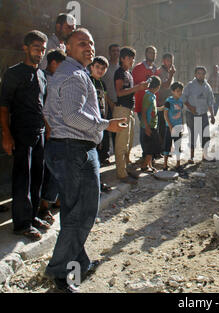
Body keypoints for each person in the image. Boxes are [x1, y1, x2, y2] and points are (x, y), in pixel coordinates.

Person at [43, 28, 126, 293]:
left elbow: (51, 112)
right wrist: (106, 125)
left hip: (69, 148)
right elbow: (72, 116)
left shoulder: (73, 73)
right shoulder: (74, 75)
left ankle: (79, 260)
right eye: (81, 43)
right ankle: (59, 272)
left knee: (72, 209)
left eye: (91, 42)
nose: (89, 47)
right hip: (74, 150)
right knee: (83, 212)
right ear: (66, 46)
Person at [0, 30, 50, 241]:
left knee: (37, 176)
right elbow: (3, 107)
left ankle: (32, 216)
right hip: (20, 133)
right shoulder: (13, 73)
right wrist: (6, 136)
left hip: (39, 133)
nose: (40, 53)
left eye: (43, 49)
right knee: (23, 178)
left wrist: (47, 128)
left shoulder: (41, 74)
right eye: (36, 48)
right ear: (26, 48)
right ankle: (21, 224)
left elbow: (43, 105)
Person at [114, 47, 149, 184]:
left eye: (133, 58)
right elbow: (119, 93)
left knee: (128, 143)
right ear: (122, 58)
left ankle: (126, 169)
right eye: (129, 58)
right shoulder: (120, 73)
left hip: (128, 110)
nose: (132, 61)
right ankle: (121, 174)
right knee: (121, 143)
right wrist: (137, 88)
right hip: (122, 110)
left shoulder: (128, 73)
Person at [39, 49, 66, 223]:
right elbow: (42, 107)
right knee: (50, 169)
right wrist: (49, 128)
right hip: (48, 130)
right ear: (54, 63)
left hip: (58, 129)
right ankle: (44, 207)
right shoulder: (43, 77)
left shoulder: (56, 78)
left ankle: (56, 200)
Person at [89, 57, 114, 193]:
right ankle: (92, 185)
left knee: (99, 153)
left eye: (103, 68)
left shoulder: (102, 83)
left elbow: (103, 100)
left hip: (101, 122)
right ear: (91, 66)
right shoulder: (88, 80)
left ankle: (97, 182)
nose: (100, 70)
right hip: (91, 123)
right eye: (97, 67)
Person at [132, 46, 160, 166]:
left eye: (154, 53)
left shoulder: (155, 69)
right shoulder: (138, 68)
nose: (152, 54)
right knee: (145, 129)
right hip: (141, 103)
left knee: (151, 130)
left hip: (152, 105)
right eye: (150, 52)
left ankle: (150, 157)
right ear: (145, 53)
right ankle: (146, 155)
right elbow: (134, 85)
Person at [182, 66, 216, 163]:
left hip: (203, 114)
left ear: (205, 75)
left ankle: (204, 156)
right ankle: (191, 157)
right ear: (195, 74)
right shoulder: (190, 85)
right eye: (199, 73)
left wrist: (212, 116)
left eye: (203, 73)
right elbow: (183, 98)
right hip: (191, 114)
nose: (201, 75)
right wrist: (190, 107)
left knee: (205, 134)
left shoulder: (207, 87)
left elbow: (210, 102)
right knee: (192, 134)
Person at [141, 76, 162, 173]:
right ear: (157, 86)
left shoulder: (152, 96)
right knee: (149, 149)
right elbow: (144, 112)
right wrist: (147, 127)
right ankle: (144, 166)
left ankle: (149, 165)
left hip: (153, 126)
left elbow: (153, 109)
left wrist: (161, 108)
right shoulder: (148, 96)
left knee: (152, 148)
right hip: (148, 127)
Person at [103, 44, 121, 153]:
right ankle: (105, 153)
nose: (115, 53)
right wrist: (109, 102)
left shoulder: (121, 68)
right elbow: (103, 87)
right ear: (109, 53)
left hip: (118, 103)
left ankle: (116, 152)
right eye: (113, 51)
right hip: (106, 102)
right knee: (106, 127)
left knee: (117, 129)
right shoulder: (106, 67)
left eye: (117, 51)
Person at [163, 82, 184, 171]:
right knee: (167, 145)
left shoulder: (180, 101)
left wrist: (182, 124)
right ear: (173, 91)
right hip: (170, 127)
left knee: (178, 145)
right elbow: (165, 115)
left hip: (178, 126)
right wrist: (170, 126)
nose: (180, 93)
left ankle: (178, 164)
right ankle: (165, 164)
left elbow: (181, 113)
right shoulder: (168, 101)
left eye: (181, 91)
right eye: (178, 91)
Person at [157, 53, 176, 151]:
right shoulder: (161, 71)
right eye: (168, 60)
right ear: (163, 61)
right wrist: (171, 75)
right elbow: (165, 86)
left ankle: (167, 146)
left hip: (169, 102)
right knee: (163, 126)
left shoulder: (169, 71)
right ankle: (162, 147)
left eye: (171, 60)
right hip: (162, 103)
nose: (170, 62)